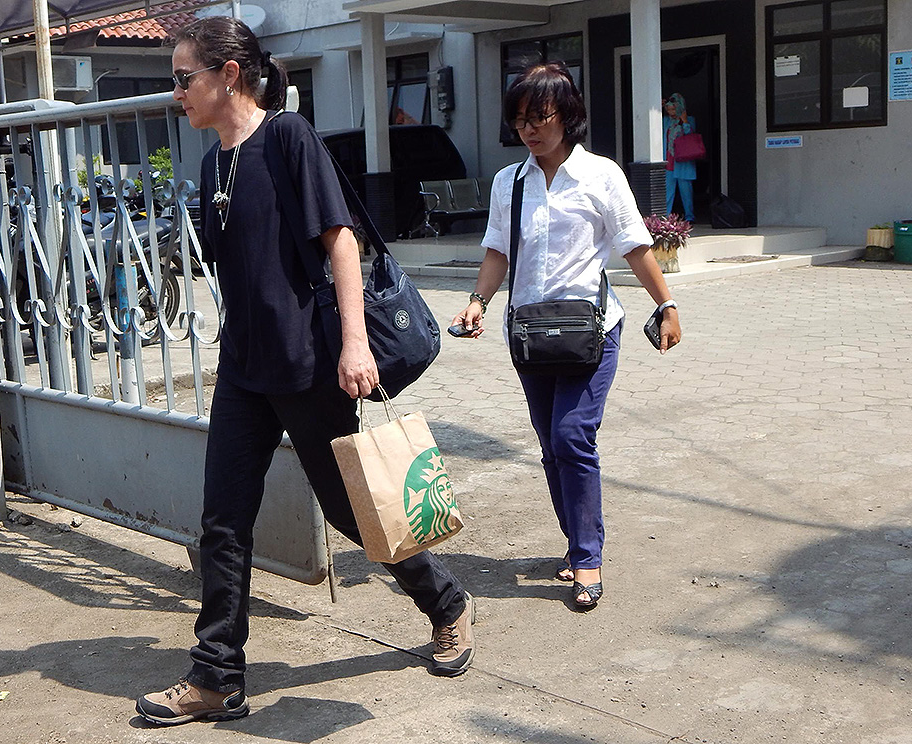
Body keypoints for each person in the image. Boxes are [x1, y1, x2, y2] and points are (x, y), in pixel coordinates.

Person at [134, 17, 476, 727]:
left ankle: (446, 602)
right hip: (245, 371)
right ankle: (217, 677)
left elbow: (340, 242)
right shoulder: (210, 165)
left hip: (310, 365)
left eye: (183, 78)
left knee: (355, 510)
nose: (177, 94)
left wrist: (357, 343)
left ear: (227, 74)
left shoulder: (288, 137)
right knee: (223, 522)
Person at [451, 63, 681, 612]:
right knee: (552, 446)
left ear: (567, 116)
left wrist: (666, 305)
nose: (530, 129)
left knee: (573, 435)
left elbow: (635, 246)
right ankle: (576, 541)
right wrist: (478, 301)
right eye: (521, 120)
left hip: (589, 331)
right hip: (531, 333)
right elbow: (497, 251)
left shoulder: (601, 176)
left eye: (541, 117)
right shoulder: (511, 182)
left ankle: (587, 557)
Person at [663, 92, 697, 223]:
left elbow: (691, 135)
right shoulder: (666, 121)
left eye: (673, 109)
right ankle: (665, 217)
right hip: (668, 159)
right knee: (668, 191)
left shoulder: (690, 120)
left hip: (683, 161)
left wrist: (685, 122)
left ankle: (690, 216)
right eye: (668, 110)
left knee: (686, 192)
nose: (671, 112)